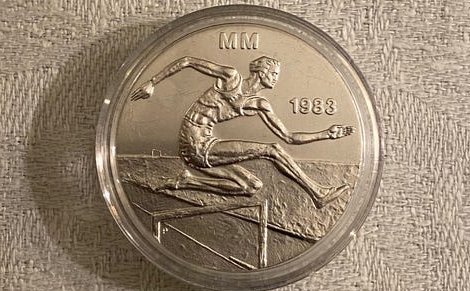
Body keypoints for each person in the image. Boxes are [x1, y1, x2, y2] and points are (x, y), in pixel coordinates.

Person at [131, 56, 354, 208]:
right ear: (261, 72)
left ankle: (184, 182)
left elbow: (289, 137)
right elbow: (187, 60)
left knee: (251, 186)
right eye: (274, 73)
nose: (276, 78)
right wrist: (152, 82)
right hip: (194, 142)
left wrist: (326, 134)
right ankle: (317, 192)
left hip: (205, 148)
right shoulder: (231, 78)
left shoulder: (260, 104)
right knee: (272, 150)